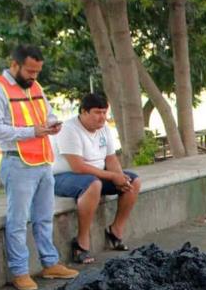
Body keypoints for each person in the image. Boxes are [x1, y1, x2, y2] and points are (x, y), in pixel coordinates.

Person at [0, 45, 78, 290]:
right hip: (17, 161)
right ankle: (20, 271)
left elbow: (47, 113)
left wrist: (52, 124)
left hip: (43, 160)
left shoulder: (34, 86)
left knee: (44, 217)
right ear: (14, 65)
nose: (34, 76)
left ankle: (50, 263)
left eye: (37, 71)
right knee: (18, 219)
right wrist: (31, 132)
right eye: (30, 70)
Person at [52, 93, 140, 264]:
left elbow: (110, 158)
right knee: (93, 184)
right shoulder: (69, 129)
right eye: (97, 113)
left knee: (133, 181)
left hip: (96, 174)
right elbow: (78, 167)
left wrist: (120, 177)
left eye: (104, 112)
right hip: (64, 177)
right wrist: (113, 176)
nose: (102, 117)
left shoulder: (104, 129)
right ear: (84, 112)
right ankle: (81, 243)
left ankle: (115, 232)